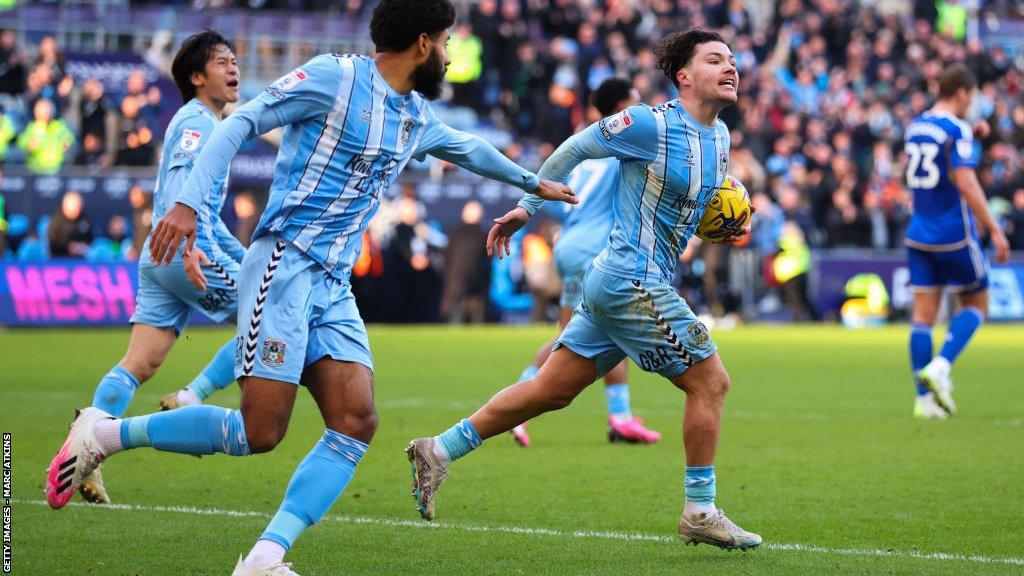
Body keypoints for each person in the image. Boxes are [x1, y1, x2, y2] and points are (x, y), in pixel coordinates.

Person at [45, 3, 576, 575]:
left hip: (333, 282)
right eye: (446, 42)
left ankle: (265, 559)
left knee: (355, 419)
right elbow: (243, 122)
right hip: (284, 265)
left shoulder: (414, 114)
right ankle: (105, 432)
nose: (449, 56)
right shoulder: (334, 77)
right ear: (424, 43)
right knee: (260, 430)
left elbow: (466, 148)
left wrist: (530, 182)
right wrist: (185, 205)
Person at [407, 28, 762, 551]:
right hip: (629, 280)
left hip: (623, 282)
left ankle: (438, 449)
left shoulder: (722, 138)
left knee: (551, 390)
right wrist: (528, 207)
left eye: (733, 60)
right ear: (684, 76)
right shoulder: (649, 124)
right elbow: (573, 149)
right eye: (715, 60)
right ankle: (700, 511)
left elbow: (691, 212)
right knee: (710, 382)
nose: (731, 68)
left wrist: (721, 224)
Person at [46, 30, 248, 505]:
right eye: (221, 62)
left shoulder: (202, 120)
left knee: (139, 364)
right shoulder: (199, 122)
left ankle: (86, 450)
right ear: (196, 76)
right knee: (276, 314)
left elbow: (203, 209)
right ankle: (192, 396)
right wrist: (188, 248)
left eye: (235, 59)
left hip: (161, 255)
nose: (234, 67)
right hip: (182, 250)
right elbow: (184, 186)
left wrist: (238, 256)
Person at [507, 78, 660, 448]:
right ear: (623, 107)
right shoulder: (624, 144)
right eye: (636, 104)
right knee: (592, 335)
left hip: (572, 244)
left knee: (588, 333)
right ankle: (518, 406)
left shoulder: (587, 146)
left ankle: (618, 417)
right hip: (594, 249)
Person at [904, 64, 1010, 420]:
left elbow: (939, 157)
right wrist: (993, 227)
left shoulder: (917, 126)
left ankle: (924, 401)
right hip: (953, 233)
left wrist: (973, 136)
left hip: (918, 232)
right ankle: (942, 365)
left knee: (922, 317)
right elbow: (964, 180)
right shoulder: (957, 128)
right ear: (963, 92)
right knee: (977, 305)